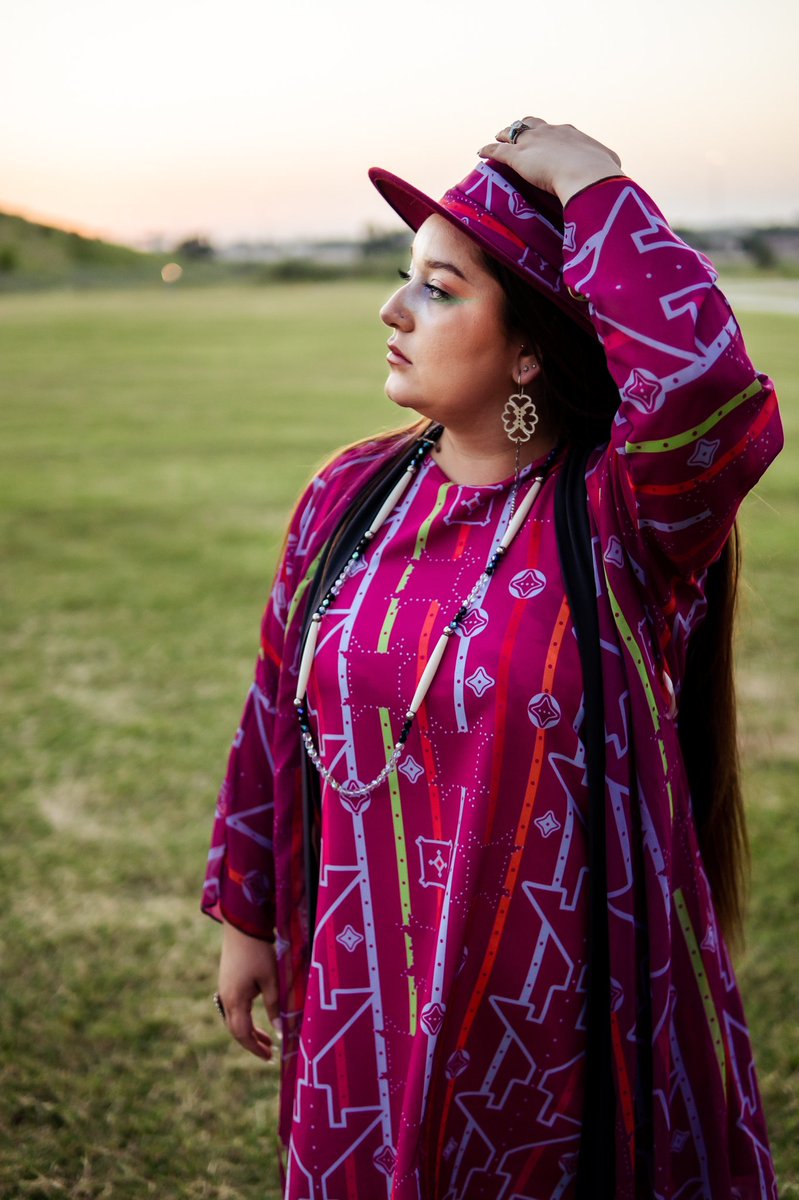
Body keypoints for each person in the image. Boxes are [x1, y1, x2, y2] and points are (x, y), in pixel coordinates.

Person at [201, 117, 782, 1198]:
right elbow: (275, 706)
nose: (391, 309)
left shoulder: (619, 518)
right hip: (361, 994)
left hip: (564, 1005)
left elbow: (701, 389)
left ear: (528, 347)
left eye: (439, 287)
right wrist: (247, 911)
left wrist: (588, 179)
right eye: (402, 278)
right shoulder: (348, 493)